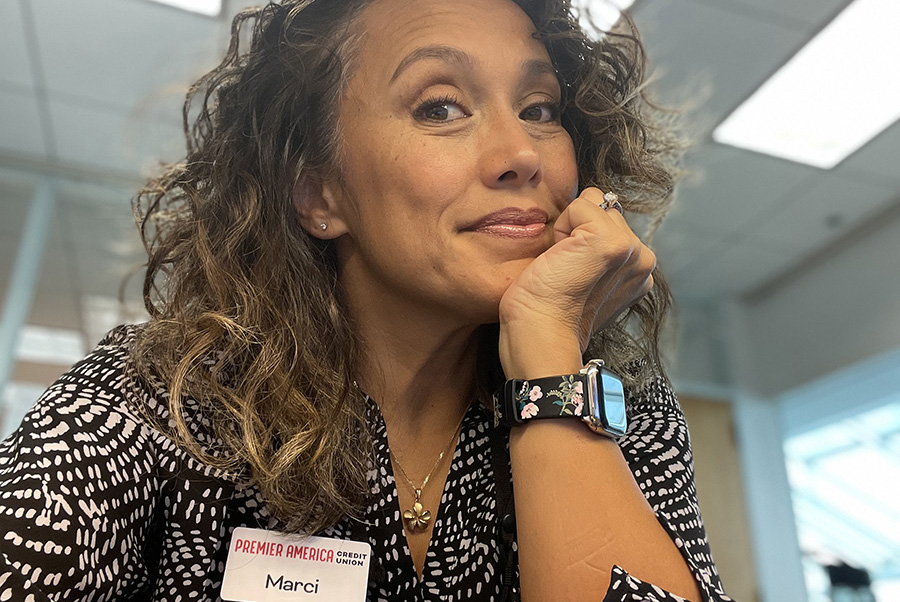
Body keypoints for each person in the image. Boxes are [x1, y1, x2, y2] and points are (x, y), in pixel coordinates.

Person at [0, 0, 734, 600]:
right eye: (441, 107)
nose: (523, 153)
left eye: (541, 108)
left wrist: (547, 361)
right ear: (320, 194)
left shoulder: (623, 412)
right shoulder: (159, 396)